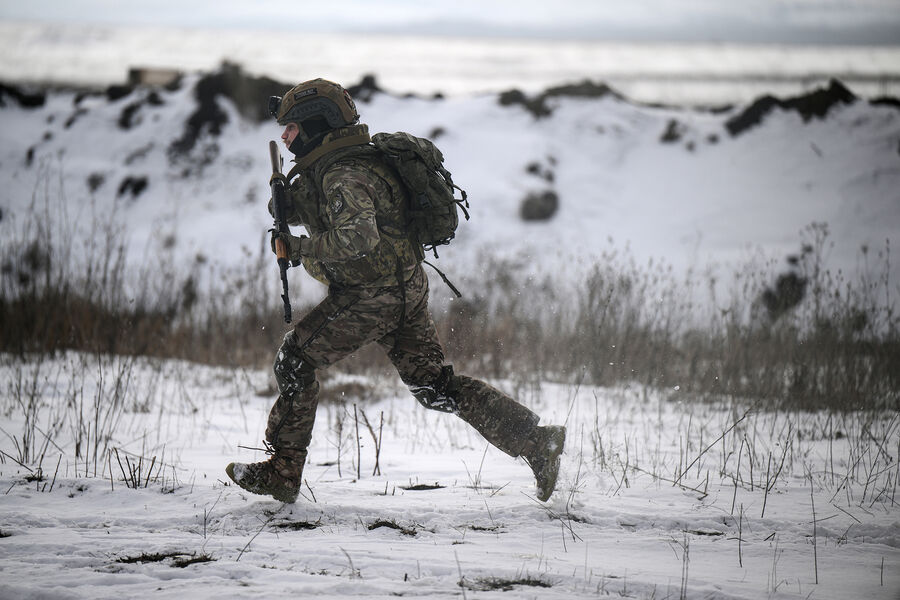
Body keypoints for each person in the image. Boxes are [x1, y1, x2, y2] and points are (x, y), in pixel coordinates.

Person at [226, 79, 566, 503]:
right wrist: (287, 206)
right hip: (406, 289)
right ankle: (537, 443)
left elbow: (358, 237)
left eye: (291, 127)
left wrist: (298, 248)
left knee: (295, 359)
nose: (285, 136)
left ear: (314, 126)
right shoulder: (355, 162)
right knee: (435, 387)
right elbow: (353, 215)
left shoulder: (342, 173)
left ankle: (282, 470)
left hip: (369, 297)